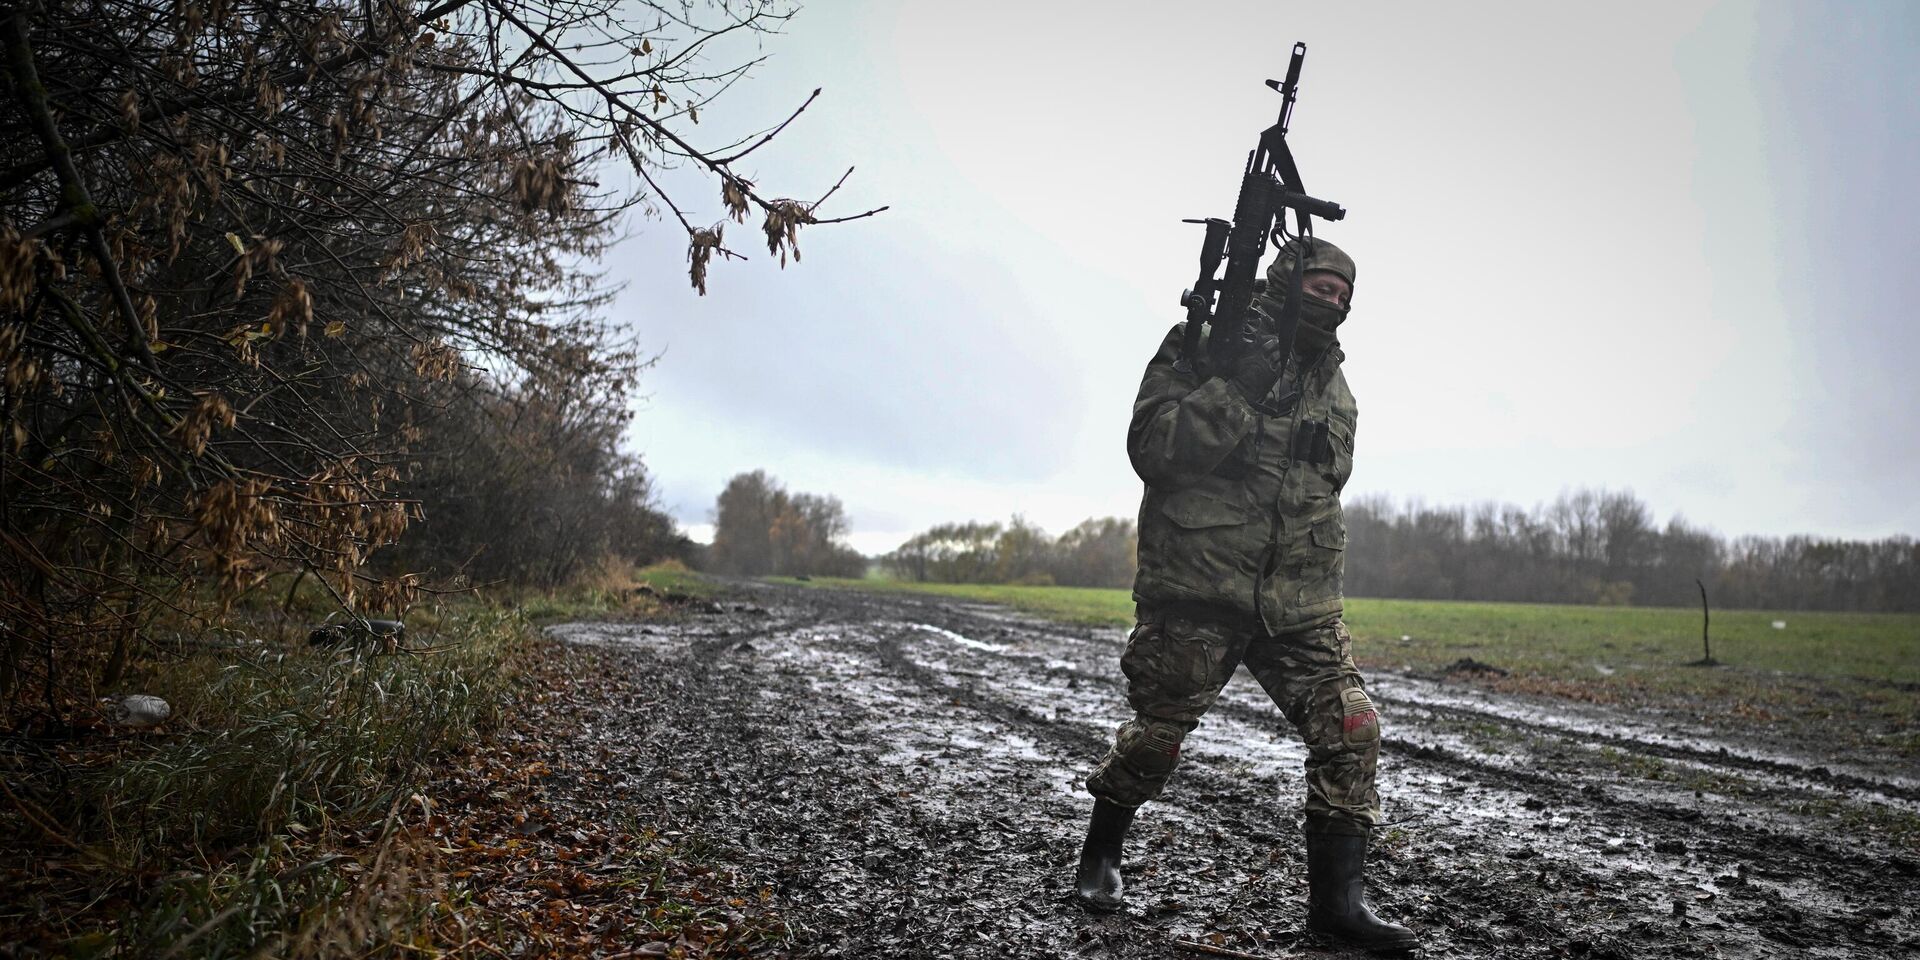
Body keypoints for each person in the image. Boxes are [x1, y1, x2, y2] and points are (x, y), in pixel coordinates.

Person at [1073, 237, 1418, 954]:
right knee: (1156, 737)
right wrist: (1237, 389)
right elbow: (1154, 449)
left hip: (1299, 601)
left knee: (1352, 729)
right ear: (1285, 281)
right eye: (1319, 287)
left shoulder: (1336, 385)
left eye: (1342, 295)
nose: (1331, 302)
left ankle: (1338, 907)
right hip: (1200, 583)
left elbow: (1322, 487)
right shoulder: (1207, 343)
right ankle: (1100, 856)